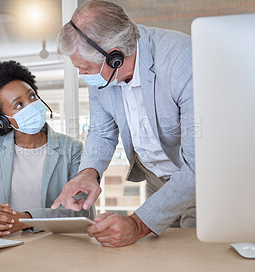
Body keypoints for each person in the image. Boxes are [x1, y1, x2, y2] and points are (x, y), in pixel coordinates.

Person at [52, 0, 195, 247]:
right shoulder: (100, 76)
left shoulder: (183, 60)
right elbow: (101, 131)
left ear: (115, 56)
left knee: (194, 252)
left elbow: (198, 166)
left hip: (195, 180)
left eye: (85, 68)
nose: (83, 76)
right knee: (158, 253)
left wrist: (138, 223)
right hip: (155, 180)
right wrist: (88, 173)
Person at [0, 61, 93, 237]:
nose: (32, 105)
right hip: (4, 243)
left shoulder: (72, 149)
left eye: (32, 96)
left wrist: (25, 220)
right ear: (2, 120)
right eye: (18, 105)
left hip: (53, 245)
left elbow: (80, 212)